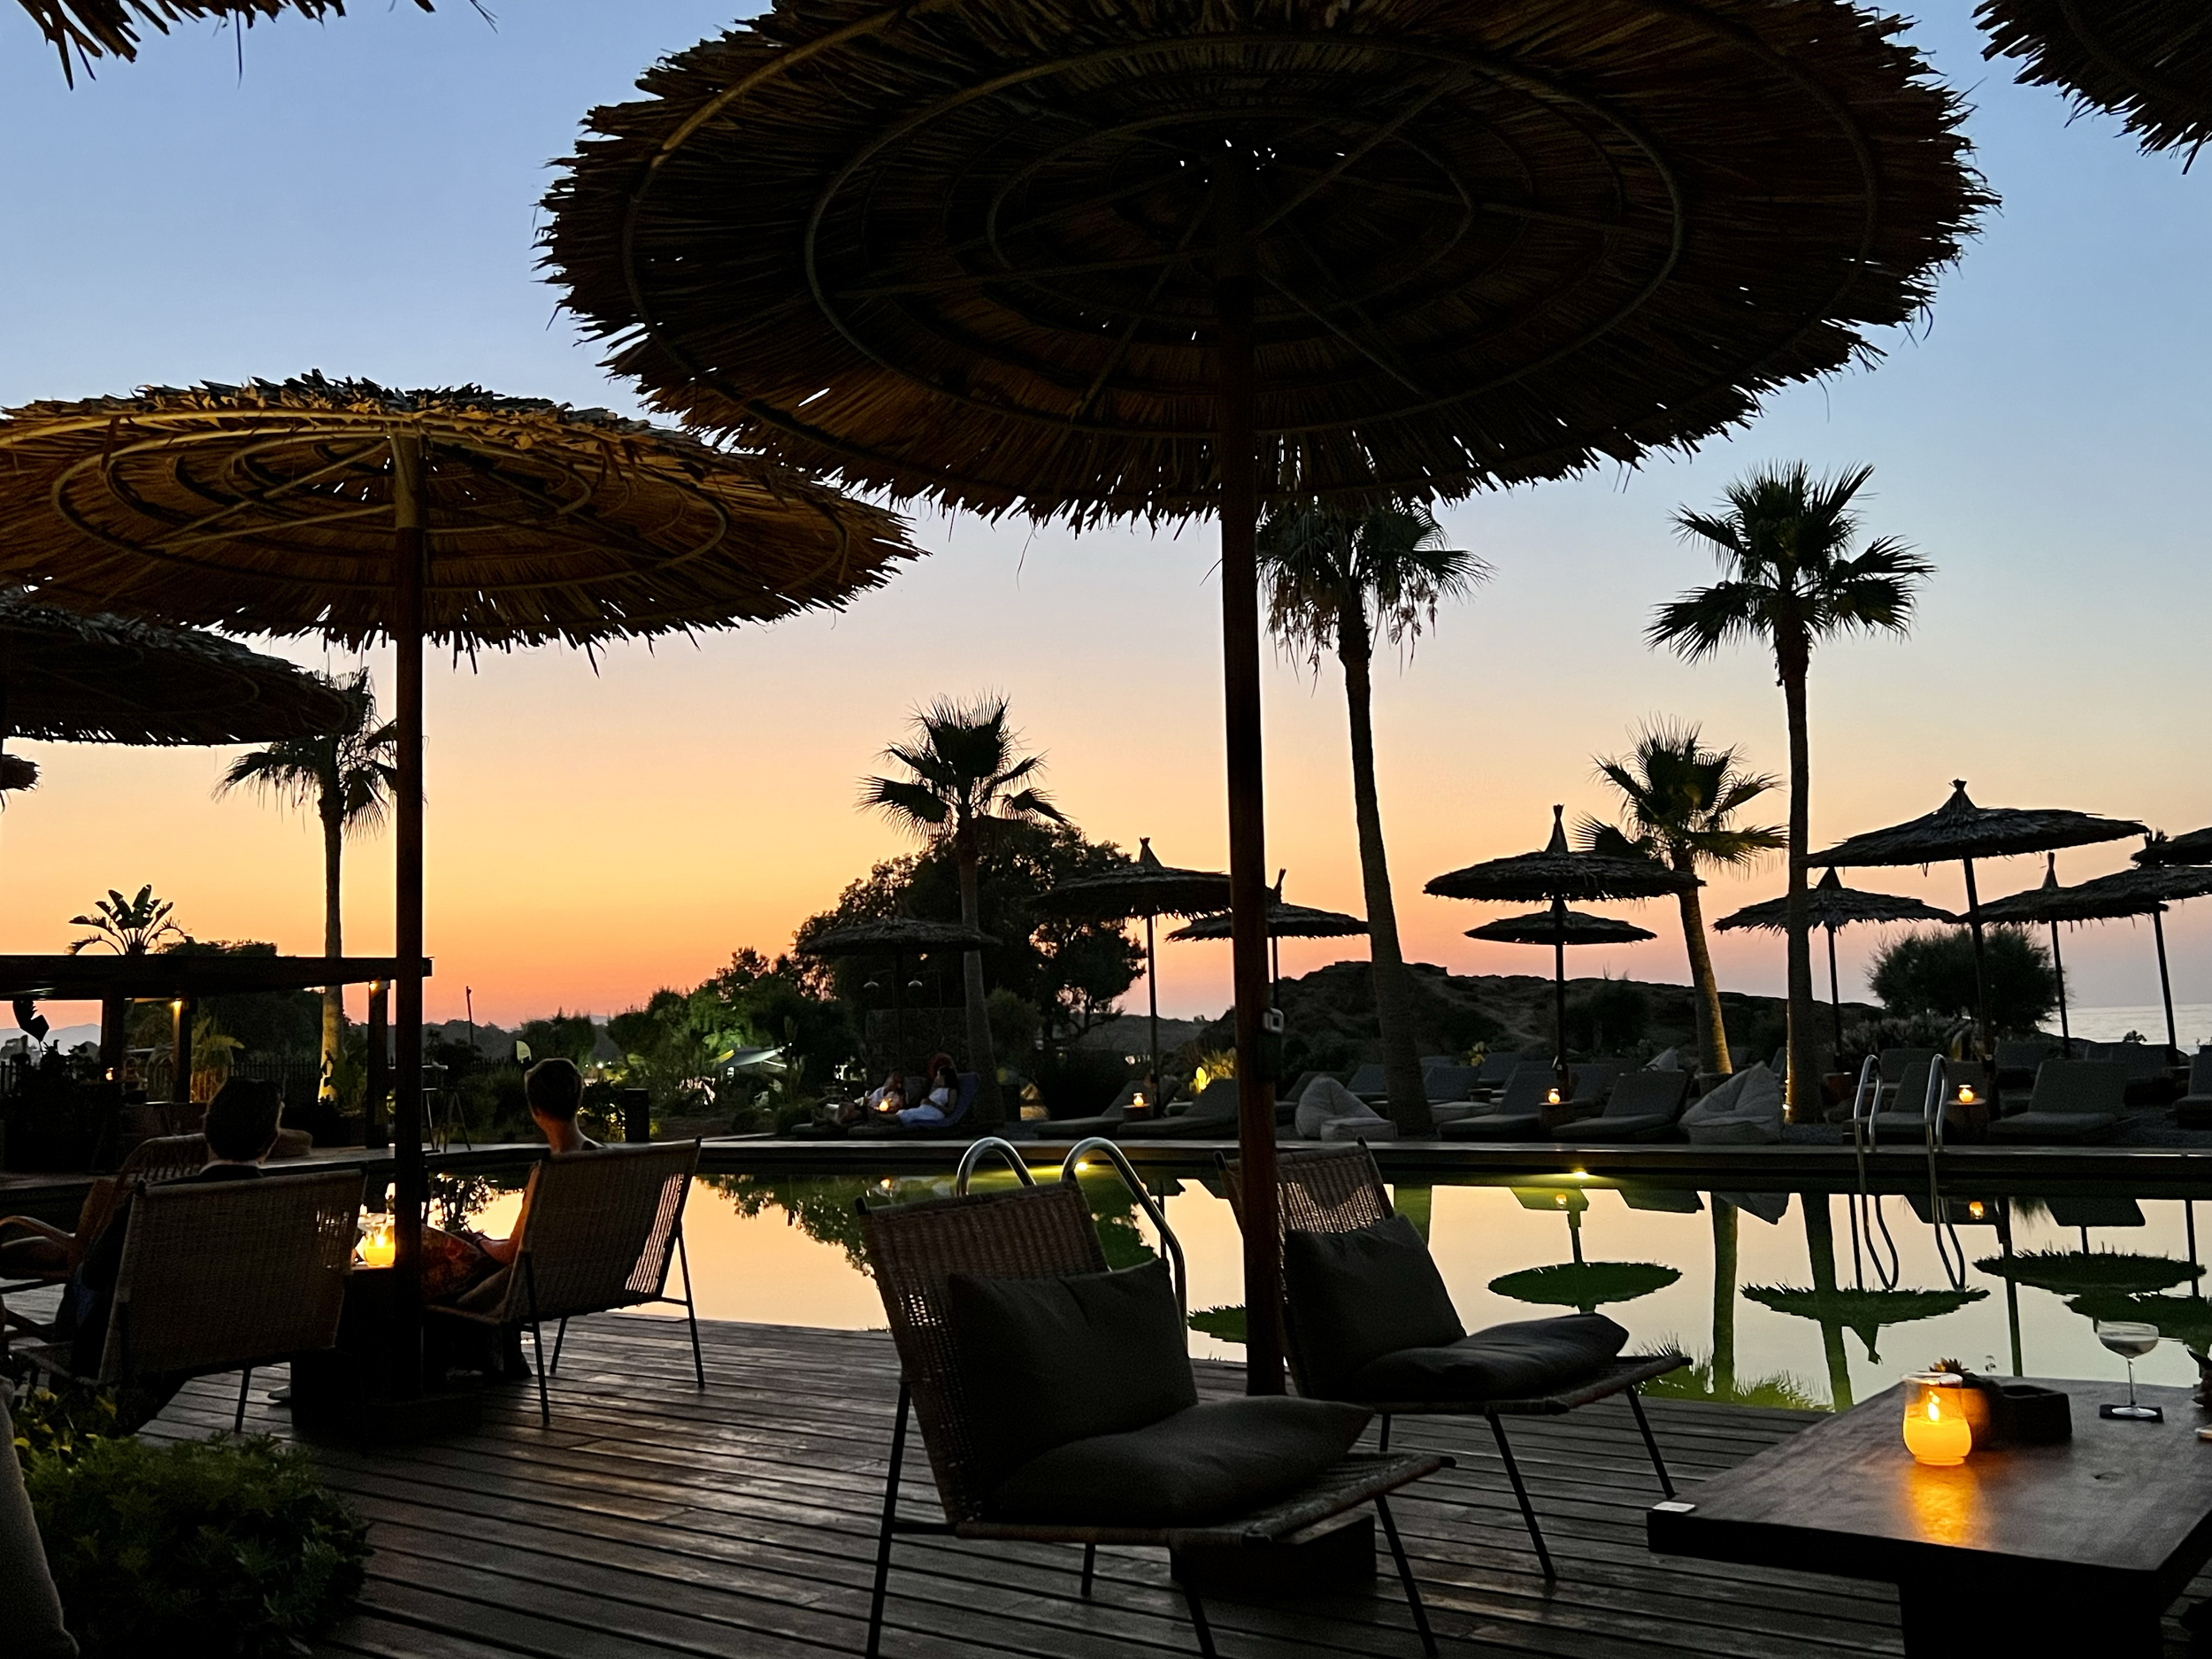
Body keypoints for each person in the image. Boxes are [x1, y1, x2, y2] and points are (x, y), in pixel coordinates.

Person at [50, 1078, 283, 1421]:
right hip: (237, 1330)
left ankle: (67, 1403)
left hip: (148, 1339)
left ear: (206, 1129)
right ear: (271, 1140)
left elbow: (98, 1273)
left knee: (85, 1278)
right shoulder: (287, 1202)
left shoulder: (154, 1201)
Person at [895, 1055, 960, 1127]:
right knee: (905, 1112)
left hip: (935, 1113)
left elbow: (950, 1110)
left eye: (938, 1076)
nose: (936, 1078)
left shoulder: (951, 1091)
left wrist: (932, 1104)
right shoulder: (937, 1089)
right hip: (926, 1110)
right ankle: (883, 1117)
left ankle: (881, 1117)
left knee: (907, 1114)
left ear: (943, 1077)